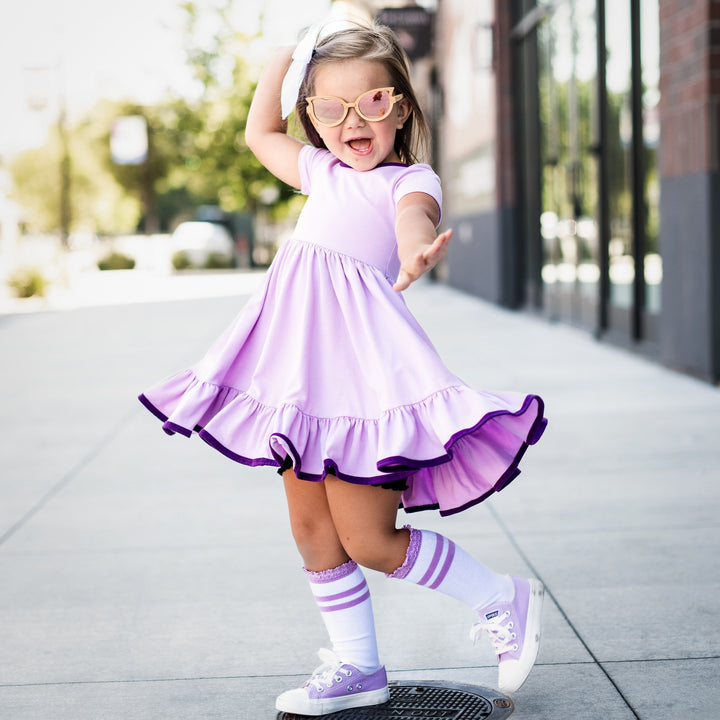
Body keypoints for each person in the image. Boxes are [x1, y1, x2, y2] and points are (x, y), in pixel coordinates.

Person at [139, 21, 547, 717]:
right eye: (330, 109)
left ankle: (498, 597)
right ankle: (359, 667)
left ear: (402, 107)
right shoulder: (320, 172)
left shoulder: (410, 181)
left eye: (372, 103)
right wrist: (280, 56)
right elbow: (259, 133)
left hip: (361, 387)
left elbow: (415, 219)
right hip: (299, 383)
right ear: (314, 117)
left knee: (373, 541)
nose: (352, 121)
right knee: (311, 530)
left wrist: (416, 253)